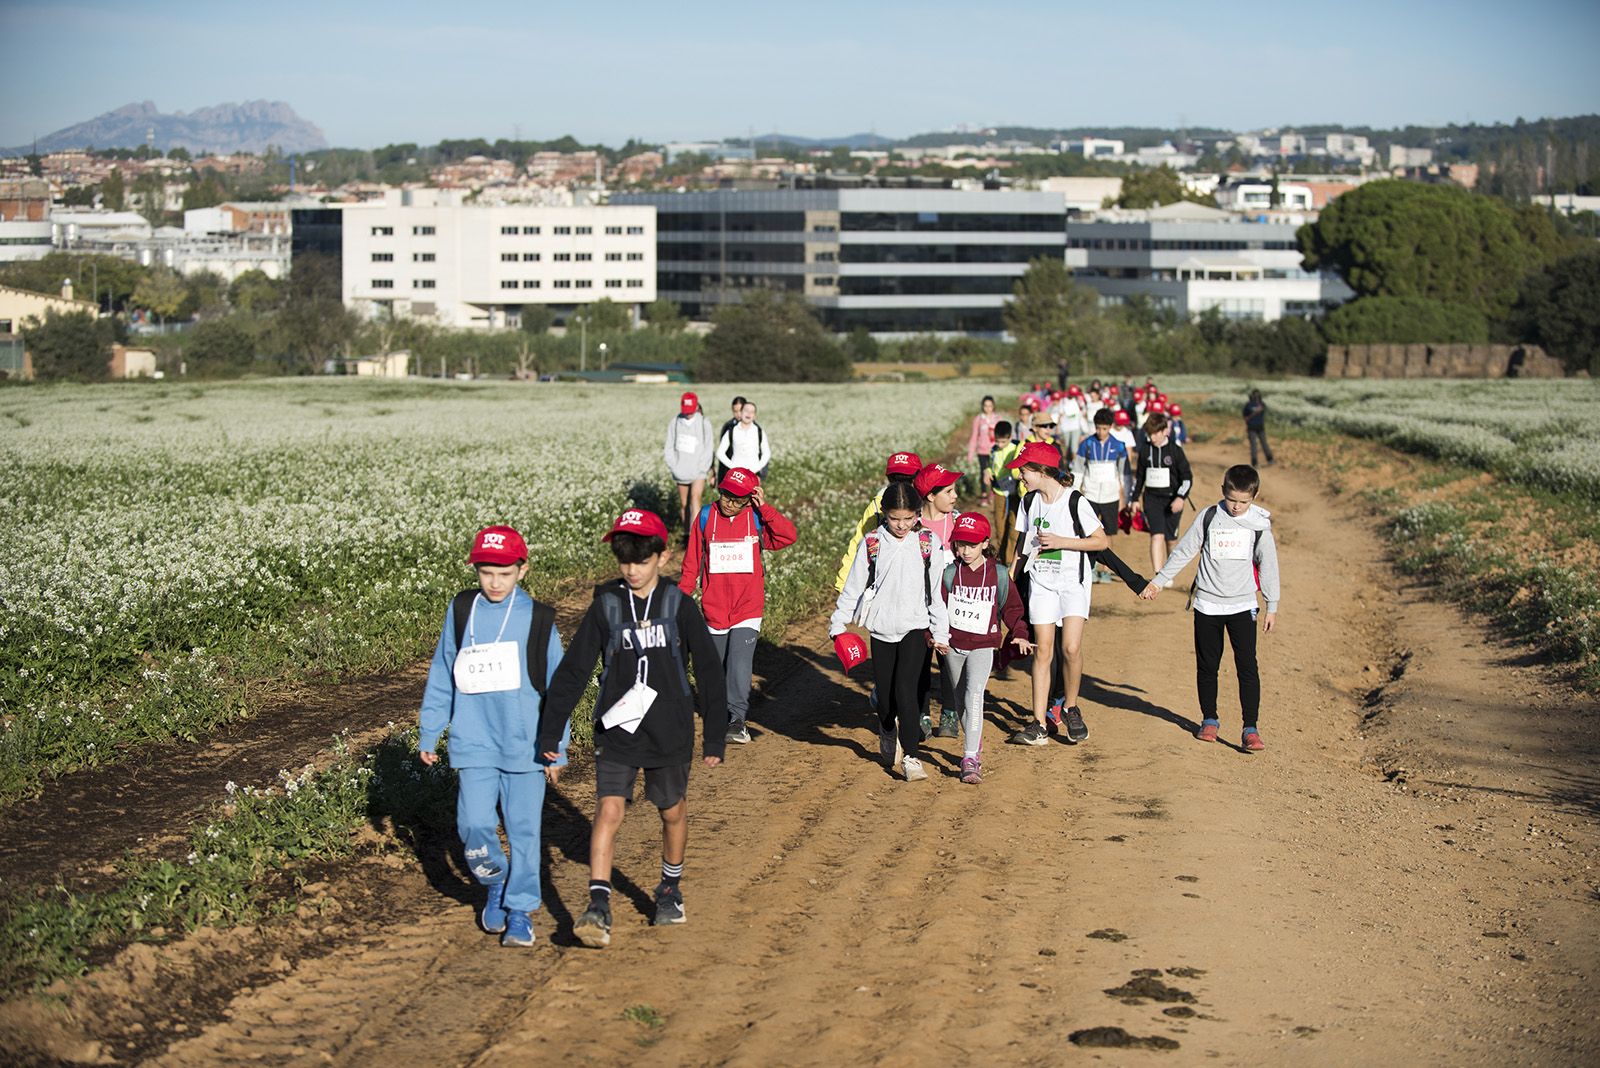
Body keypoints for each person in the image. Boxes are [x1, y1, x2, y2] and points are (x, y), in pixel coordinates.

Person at [538, 509, 728, 947]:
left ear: (662, 557)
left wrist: (714, 734)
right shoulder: (606, 606)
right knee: (608, 811)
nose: (632, 570)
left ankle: (669, 888)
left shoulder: (679, 606)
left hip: (669, 731)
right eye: (624, 560)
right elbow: (574, 671)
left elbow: (709, 673)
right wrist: (551, 733)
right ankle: (598, 905)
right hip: (618, 730)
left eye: (641, 560)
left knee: (671, 810)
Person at [419, 525, 567, 948]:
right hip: (474, 741)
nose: (495, 582)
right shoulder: (462, 609)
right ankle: (495, 882)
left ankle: (519, 910)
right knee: (473, 824)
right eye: (486, 573)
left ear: (522, 570)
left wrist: (557, 748)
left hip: (526, 747)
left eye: (504, 573)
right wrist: (431, 729)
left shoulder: (538, 619)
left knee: (523, 832)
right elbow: (443, 669)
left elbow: (558, 688)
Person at [1141, 465, 1280, 752]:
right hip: (1207, 604)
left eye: (1244, 501)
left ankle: (1250, 728)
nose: (1237, 506)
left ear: (1254, 497)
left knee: (1247, 666)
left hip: (1243, 605)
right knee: (1207, 665)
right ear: (1223, 492)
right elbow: (1184, 552)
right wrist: (1159, 581)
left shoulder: (1259, 525)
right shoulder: (1208, 517)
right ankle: (1209, 719)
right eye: (1232, 499)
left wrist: (1272, 604)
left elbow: (1269, 565)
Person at [830, 481, 952, 783]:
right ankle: (886, 728)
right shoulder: (872, 543)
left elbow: (935, 593)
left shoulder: (928, 543)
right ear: (884, 514)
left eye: (908, 518)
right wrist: (838, 623)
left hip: (916, 626)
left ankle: (911, 756)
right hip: (882, 629)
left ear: (917, 514)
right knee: (885, 697)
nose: (901, 525)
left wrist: (941, 633)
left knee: (906, 691)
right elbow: (853, 588)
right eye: (895, 518)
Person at [678, 468, 798, 745]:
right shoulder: (707, 517)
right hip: (714, 608)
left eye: (737, 499)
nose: (729, 503)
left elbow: (787, 536)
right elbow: (691, 563)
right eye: (725, 496)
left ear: (749, 499)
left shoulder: (755, 518)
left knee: (739, 665)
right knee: (714, 667)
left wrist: (764, 508)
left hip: (748, 607)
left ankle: (737, 720)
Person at [1007, 441, 1108, 747]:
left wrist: (1063, 541)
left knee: (1072, 649)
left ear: (1041, 470)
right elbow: (1022, 544)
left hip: (1073, 584)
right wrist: (1011, 578)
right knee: (1043, 650)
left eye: (1024, 471)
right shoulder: (1027, 502)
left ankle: (1071, 707)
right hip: (1041, 584)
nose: (1020, 476)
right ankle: (1038, 722)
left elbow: (1100, 542)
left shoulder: (1075, 501)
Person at [939, 512, 1031, 783]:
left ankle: (969, 758)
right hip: (954, 645)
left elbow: (1013, 608)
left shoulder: (999, 575)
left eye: (971, 544)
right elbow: (937, 608)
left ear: (985, 543)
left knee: (974, 693)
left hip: (984, 644)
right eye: (959, 544)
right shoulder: (948, 574)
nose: (965, 551)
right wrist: (932, 636)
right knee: (959, 703)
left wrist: (1020, 633)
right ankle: (974, 740)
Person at [914, 461, 963, 739]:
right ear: (931, 496)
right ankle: (921, 712)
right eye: (949, 491)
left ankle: (949, 712)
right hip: (920, 603)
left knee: (948, 659)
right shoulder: (913, 523)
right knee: (920, 659)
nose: (955, 496)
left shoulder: (956, 522)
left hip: (952, 603)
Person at [835, 451, 923, 592]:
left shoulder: (927, 503)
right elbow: (859, 543)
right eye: (896, 480)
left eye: (908, 480)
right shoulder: (877, 506)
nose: (902, 486)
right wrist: (844, 584)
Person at [1131, 412, 1194, 574]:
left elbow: (1187, 478)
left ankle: (1170, 570)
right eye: (1149, 434)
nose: (1152, 437)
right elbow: (1140, 477)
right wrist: (1135, 498)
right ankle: (1159, 575)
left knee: (1171, 540)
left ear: (1165, 431)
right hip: (1152, 499)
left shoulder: (1175, 451)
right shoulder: (1145, 450)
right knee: (1156, 535)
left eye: (1155, 433)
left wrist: (1180, 498)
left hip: (1172, 500)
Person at [1073, 408, 1129, 580]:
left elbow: (1124, 474)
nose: (1101, 432)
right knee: (1088, 532)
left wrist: (1125, 496)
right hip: (1089, 495)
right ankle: (1089, 568)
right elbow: (1078, 470)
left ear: (1110, 427)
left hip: (1110, 496)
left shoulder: (1119, 446)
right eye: (1098, 428)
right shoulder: (1086, 444)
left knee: (1109, 533)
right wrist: (1075, 491)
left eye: (1104, 428)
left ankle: (1105, 570)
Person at [663, 391, 716, 539]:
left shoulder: (704, 422)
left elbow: (708, 446)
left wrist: (703, 467)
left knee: (695, 499)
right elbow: (669, 446)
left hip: (699, 470)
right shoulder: (675, 422)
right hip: (680, 469)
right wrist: (674, 465)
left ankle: (697, 536)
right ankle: (687, 534)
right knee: (684, 504)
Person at [984, 422, 1023, 564]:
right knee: (1000, 528)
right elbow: (990, 466)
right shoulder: (993, 450)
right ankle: (1001, 560)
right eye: (997, 441)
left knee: (1013, 528)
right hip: (999, 492)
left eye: (1003, 441)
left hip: (1014, 494)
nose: (1000, 444)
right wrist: (987, 472)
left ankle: (1010, 562)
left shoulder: (1016, 448)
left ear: (1010, 437)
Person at [717, 400, 772, 482]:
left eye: (752, 412)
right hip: (735, 477)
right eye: (746, 411)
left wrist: (756, 468)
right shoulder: (732, 431)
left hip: (753, 475)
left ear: (754, 416)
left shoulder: (759, 431)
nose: (749, 413)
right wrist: (734, 468)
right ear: (741, 413)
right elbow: (719, 453)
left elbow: (767, 453)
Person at [964, 396, 1001, 489]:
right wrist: (970, 454)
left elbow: (1001, 435)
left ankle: (993, 493)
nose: (988, 408)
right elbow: (974, 436)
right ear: (982, 406)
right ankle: (983, 493)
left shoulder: (998, 418)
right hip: (982, 451)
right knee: (983, 472)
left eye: (990, 406)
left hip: (994, 450)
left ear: (993, 406)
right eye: (985, 406)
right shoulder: (978, 419)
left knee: (994, 471)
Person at [714, 395, 748, 482]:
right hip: (730, 471)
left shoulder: (754, 428)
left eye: (740, 410)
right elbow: (723, 452)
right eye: (735, 411)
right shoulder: (728, 427)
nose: (738, 414)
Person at [1243, 389, 1274, 467]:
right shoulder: (1260, 404)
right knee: (1260, 444)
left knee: (1257, 445)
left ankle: (1257, 462)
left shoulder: (1249, 405)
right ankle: (1267, 460)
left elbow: (1245, 417)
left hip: (1255, 427)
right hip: (1256, 427)